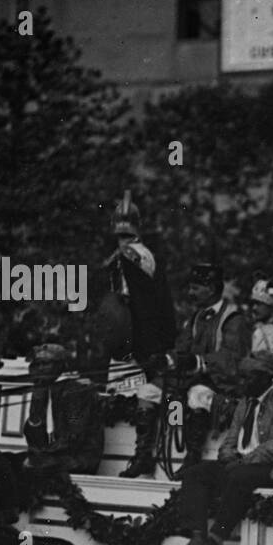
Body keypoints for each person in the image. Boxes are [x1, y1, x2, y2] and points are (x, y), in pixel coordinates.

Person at [169, 357, 273, 545]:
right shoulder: (245, 401)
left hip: (266, 467)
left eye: (247, 378)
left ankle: (216, 539)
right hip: (241, 463)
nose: (241, 383)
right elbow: (230, 439)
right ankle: (197, 538)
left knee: (239, 476)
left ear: (264, 378)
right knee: (195, 473)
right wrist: (228, 456)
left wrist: (243, 462)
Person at [139, 263, 252, 478]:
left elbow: (233, 360)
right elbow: (182, 348)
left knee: (197, 394)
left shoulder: (234, 319)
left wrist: (198, 361)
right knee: (147, 391)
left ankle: (192, 457)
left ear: (210, 288)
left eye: (195, 288)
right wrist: (165, 359)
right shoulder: (196, 317)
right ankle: (144, 455)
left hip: (220, 384)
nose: (191, 293)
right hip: (190, 380)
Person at [104, 192, 176, 474]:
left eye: (125, 234)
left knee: (145, 390)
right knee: (116, 392)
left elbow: (145, 302)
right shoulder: (119, 257)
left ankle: (142, 455)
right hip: (124, 339)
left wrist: (153, 346)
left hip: (143, 338)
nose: (122, 240)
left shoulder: (139, 256)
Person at [21, 343, 104, 476]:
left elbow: (74, 437)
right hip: (53, 455)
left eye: (46, 364)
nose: (41, 369)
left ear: (61, 365)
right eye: (38, 364)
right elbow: (33, 439)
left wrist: (43, 456)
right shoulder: (45, 389)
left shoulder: (76, 391)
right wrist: (36, 405)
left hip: (78, 459)